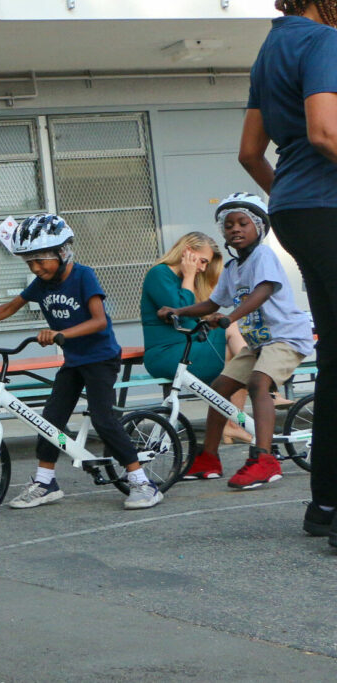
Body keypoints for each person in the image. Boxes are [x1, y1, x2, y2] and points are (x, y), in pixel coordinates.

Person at [0, 213, 163, 511]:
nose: (36, 268)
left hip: (100, 358)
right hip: (73, 361)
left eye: (41, 261)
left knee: (104, 420)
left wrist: (59, 333)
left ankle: (142, 482)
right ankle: (45, 482)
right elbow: (12, 306)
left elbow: (98, 320)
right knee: (50, 420)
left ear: (63, 253)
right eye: (30, 263)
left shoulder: (83, 276)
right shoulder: (41, 284)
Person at [238, 0, 337, 539]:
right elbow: (325, 132)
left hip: (296, 208)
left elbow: (250, 152)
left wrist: (290, 197)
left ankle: (324, 506)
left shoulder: (271, 47)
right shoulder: (324, 41)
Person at [157, 193, 315, 489]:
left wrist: (231, 318)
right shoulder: (232, 268)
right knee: (219, 389)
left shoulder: (263, 256)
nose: (235, 229)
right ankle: (208, 458)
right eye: (228, 225)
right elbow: (212, 304)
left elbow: (263, 292)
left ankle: (264, 459)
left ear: (259, 227)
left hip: (287, 337)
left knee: (258, 383)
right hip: (259, 343)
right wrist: (179, 310)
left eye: (243, 223)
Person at [140, 232, 254, 445]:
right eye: (201, 261)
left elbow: (192, 324)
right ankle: (257, 389)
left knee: (236, 360)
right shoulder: (159, 274)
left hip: (187, 349)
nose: (202, 268)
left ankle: (234, 423)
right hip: (167, 354)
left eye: (206, 263)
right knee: (234, 338)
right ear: (187, 252)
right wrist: (190, 275)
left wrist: (209, 319)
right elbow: (179, 313)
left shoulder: (185, 280)